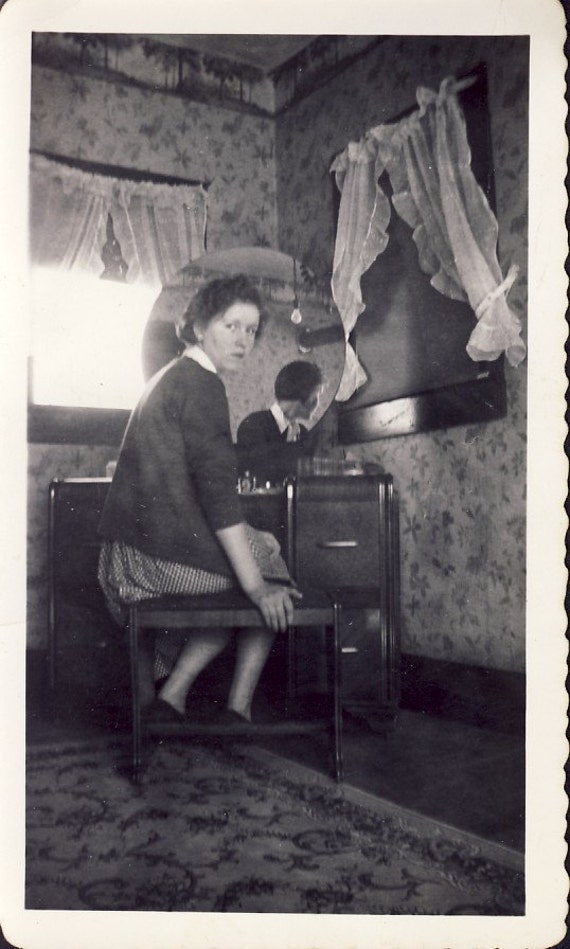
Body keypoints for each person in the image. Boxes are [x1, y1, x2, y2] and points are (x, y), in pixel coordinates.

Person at [97, 275, 302, 729]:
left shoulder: (170, 376)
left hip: (125, 557)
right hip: (153, 562)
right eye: (232, 326)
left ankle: (170, 697)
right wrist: (256, 584)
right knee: (268, 573)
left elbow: (199, 493)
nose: (243, 340)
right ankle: (233, 707)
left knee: (257, 545)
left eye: (251, 330)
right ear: (201, 326)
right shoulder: (204, 386)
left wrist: (253, 538)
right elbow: (218, 497)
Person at [236, 360, 323, 486]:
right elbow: (259, 474)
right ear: (305, 395)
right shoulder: (253, 425)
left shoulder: (303, 433)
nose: (317, 403)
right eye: (317, 395)